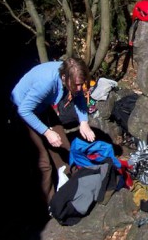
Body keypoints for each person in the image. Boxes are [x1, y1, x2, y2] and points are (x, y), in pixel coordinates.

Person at [11, 56, 96, 209]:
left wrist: (84, 122)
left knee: (64, 146)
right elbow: (25, 110)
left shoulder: (71, 75)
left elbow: (79, 96)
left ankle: (74, 185)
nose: (78, 88)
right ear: (64, 77)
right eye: (76, 85)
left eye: (81, 84)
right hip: (24, 109)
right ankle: (51, 205)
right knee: (43, 161)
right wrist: (46, 132)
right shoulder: (46, 83)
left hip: (42, 106)